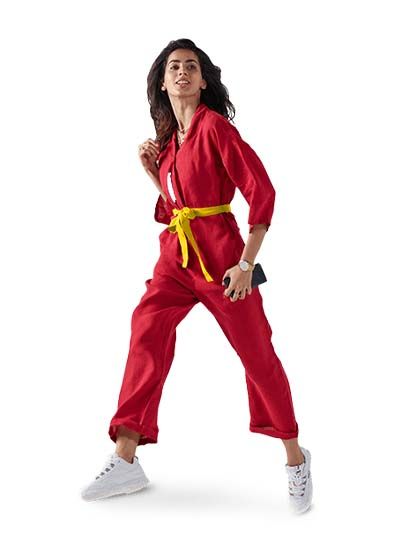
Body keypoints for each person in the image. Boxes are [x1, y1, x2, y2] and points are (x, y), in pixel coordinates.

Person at [80, 38, 313, 514]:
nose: (182, 72)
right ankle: (126, 458)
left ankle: (295, 458)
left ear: (204, 80)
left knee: (257, 353)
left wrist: (245, 265)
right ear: (163, 83)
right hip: (177, 255)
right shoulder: (169, 141)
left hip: (222, 257)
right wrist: (153, 172)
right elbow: (175, 208)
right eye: (174, 67)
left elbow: (262, 192)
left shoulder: (216, 128)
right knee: (146, 328)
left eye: (191, 66)